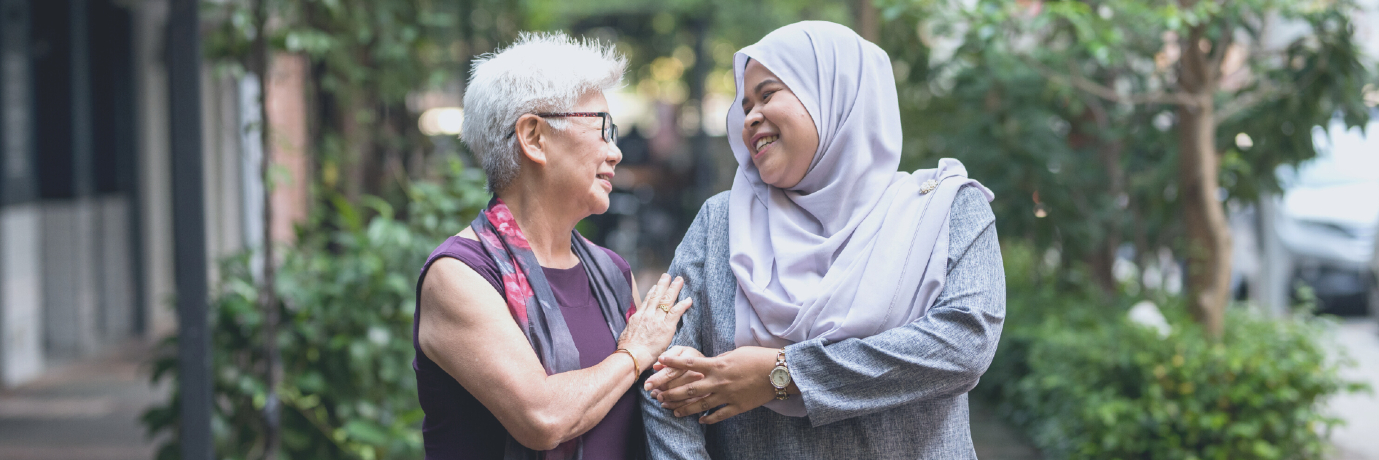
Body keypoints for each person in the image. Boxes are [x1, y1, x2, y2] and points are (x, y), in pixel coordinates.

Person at [640, 21, 1006, 459]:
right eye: (745, 104)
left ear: (835, 94)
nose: (750, 116)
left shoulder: (945, 210)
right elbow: (664, 378)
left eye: (769, 93)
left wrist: (783, 375)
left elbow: (962, 346)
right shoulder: (720, 222)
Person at [413, 32, 691, 460]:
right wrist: (633, 353)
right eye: (602, 128)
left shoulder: (612, 273)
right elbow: (543, 418)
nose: (615, 151)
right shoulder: (459, 274)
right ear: (534, 137)